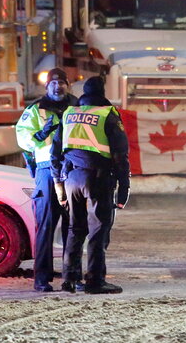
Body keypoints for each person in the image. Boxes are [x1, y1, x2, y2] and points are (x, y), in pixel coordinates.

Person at [51, 76, 130, 295]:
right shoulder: (107, 115)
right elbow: (121, 155)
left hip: (72, 179)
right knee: (97, 230)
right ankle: (95, 280)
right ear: (102, 92)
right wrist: (123, 190)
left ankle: (69, 278)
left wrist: (58, 182)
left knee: (75, 229)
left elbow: (55, 153)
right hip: (98, 178)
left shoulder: (69, 114)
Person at [14, 68, 78, 293]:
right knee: (46, 227)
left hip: (73, 171)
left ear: (68, 85)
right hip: (47, 171)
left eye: (61, 82)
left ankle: (73, 277)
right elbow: (23, 137)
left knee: (75, 227)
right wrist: (41, 134)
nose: (57, 86)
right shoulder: (35, 110)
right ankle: (41, 279)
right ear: (46, 87)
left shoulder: (78, 107)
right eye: (53, 83)